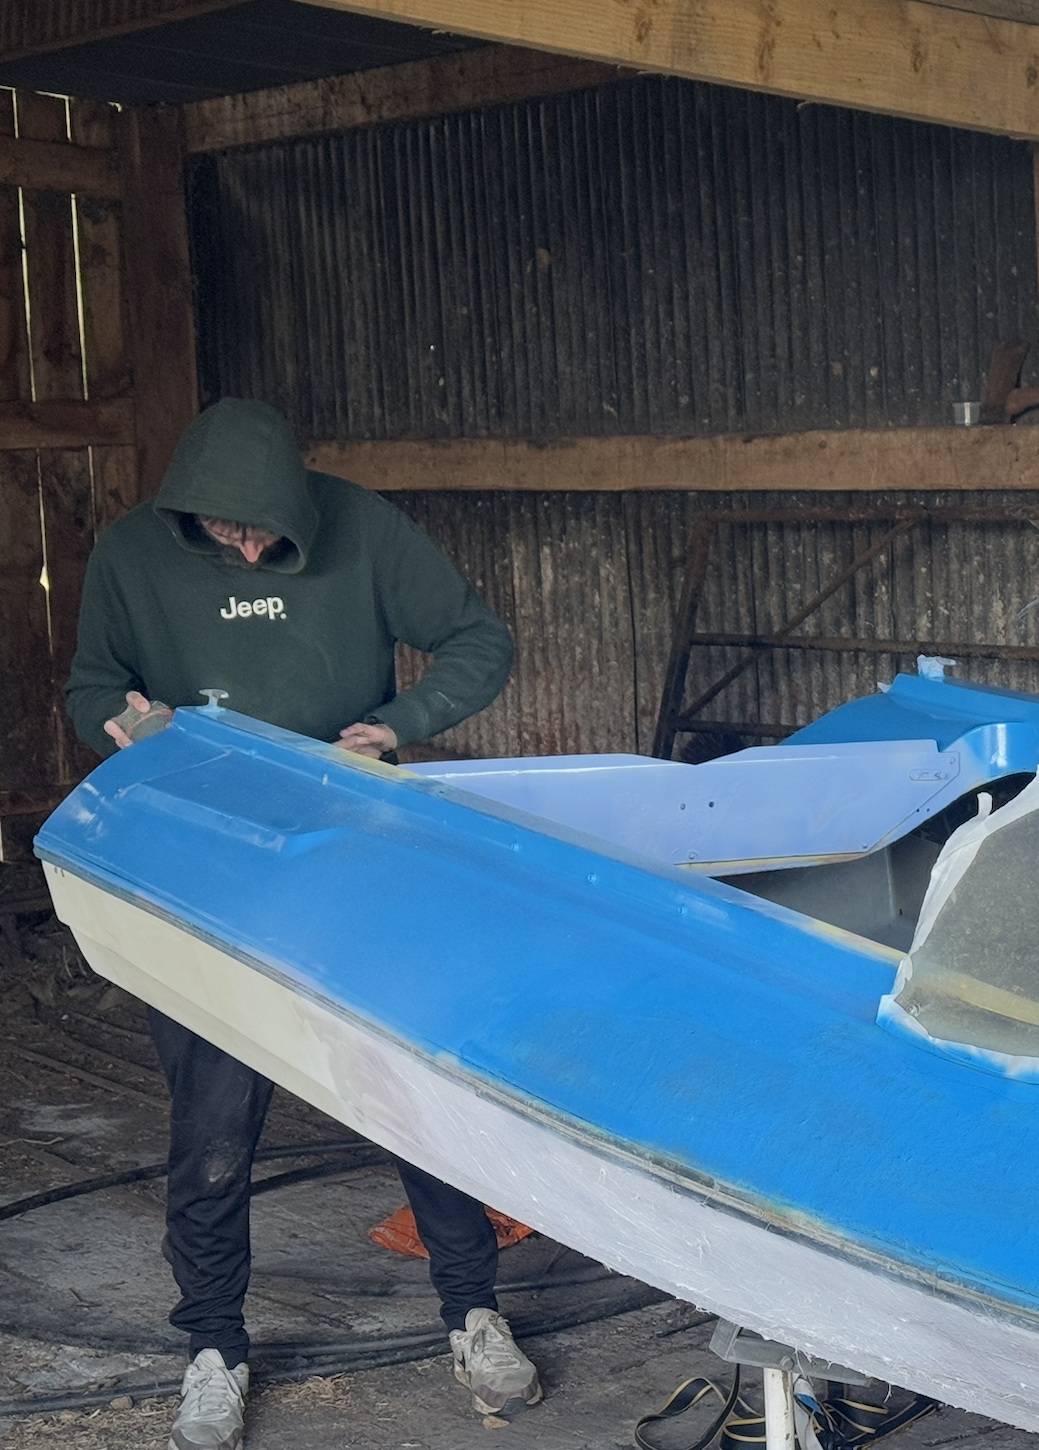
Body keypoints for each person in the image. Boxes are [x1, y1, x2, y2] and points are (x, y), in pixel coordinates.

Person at [66, 398, 534, 1450]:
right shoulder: (132, 555)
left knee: (414, 1091)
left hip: (357, 855)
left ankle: (473, 1313)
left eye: (265, 534)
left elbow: (478, 639)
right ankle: (213, 1348)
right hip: (205, 869)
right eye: (225, 531)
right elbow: (92, 681)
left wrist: (399, 725)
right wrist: (125, 725)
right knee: (212, 1122)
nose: (247, 548)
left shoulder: (361, 527)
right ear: (187, 512)